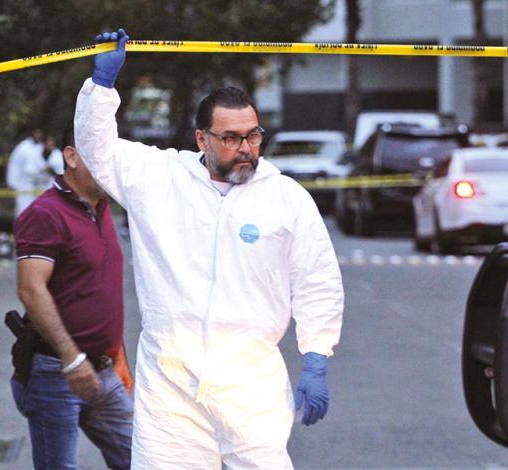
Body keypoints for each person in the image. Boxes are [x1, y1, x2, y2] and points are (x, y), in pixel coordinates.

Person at [74, 29, 344, 468]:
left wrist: (316, 356)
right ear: (202, 140)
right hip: (170, 387)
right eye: (231, 138)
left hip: (251, 386)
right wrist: (101, 89)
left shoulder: (286, 197)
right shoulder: (159, 178)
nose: (246, 149)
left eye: (253, 136)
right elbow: (96, 148)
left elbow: (317, 280)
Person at [11, 128, 134, 469]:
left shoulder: (104, 206)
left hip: (104, 372)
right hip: (57, 370)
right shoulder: (44, 214)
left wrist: (118, 354)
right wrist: (71, 359)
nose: (109, 165)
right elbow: (31, 289)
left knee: (143, 460)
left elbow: (98, 290)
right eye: (99, 153)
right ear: (72, 156)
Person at [6, 129, 46, 216]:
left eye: (40, 133)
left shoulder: (38, 146)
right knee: (24, 212)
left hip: (35, 185)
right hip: (22, 185)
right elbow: (30, 170)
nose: (39, 135)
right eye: (37, 133)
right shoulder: (24, 147)